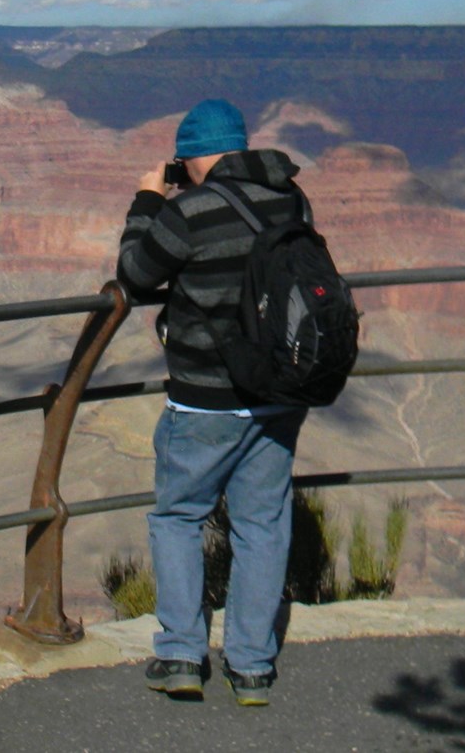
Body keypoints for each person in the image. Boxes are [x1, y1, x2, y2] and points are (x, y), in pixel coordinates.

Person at [115, 99, 311, 706]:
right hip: (279, 395)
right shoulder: (291, 200)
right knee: (262, 526)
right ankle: (251, 667)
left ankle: (180, 656)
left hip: (204, 402)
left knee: (179, 518)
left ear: (193, 158)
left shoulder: (191, 212)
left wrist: (150, 200)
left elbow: (135, 272)